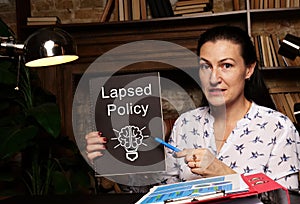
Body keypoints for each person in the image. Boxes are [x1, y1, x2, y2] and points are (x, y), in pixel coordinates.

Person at [85, 25, 300, 190]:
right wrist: (116, 166)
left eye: (226, 65)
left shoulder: (278, 128)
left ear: (249, 69)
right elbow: (161, 193)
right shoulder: (185, 123)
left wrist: (223, 173)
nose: (213, 78)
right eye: (205, 66)